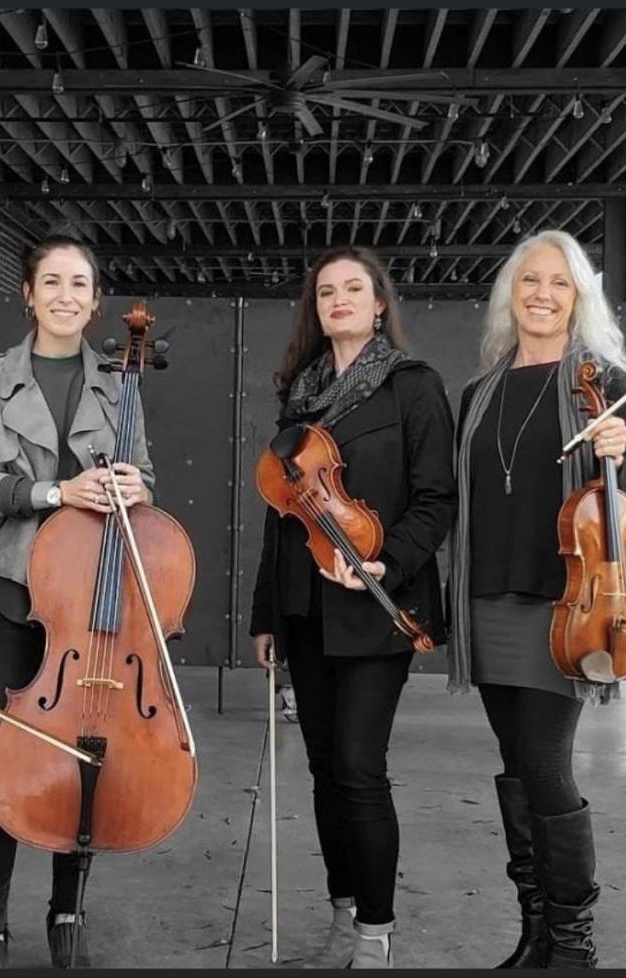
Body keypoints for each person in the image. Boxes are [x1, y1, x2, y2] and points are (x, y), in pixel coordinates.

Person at [446, 229, 626, 968]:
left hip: (566, 606)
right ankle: (536, 933)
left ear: (579, 297)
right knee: (515, 767)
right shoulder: (479, 394)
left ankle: (573, 944)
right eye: (529, 281)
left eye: (559, 283)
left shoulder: (606, 386)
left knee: (546, 765)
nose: (541, 293)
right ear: (510, 295)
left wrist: (617, 458)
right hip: (489, 600)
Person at [249, 245, 457, 968]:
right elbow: (286, 517)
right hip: (305, 607)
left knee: (359, 766)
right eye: (326, 290)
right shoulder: (299, 396)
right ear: (316, 309)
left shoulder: (413, 387)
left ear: (378, 305)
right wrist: (266, 615)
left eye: (353, 288)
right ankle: (342, 915)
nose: (338, 298)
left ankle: (374, 933)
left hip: (376, 602)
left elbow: (437, 500)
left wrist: (388, 563)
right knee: (322, 769)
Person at [0, 234, 154, 969]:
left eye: (80, 283)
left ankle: (68, 906)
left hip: (92, 598)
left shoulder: (119, 376)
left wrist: (139, 486)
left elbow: (146, 476)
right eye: (52, 282)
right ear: (28, 293)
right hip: (15, 590)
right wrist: (57, 492)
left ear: (96, 299)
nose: (67, 295)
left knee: (84, 750)